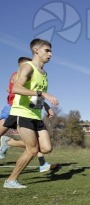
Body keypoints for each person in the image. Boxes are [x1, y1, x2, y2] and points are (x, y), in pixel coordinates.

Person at [2, 38, 59, 188]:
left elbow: (36, 96)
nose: (50, 54)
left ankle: (8, 142)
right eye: (47, 50)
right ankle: (10, 181)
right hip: (22, 113)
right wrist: (44, 94)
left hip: (35, 115)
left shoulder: (44, 74)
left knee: (46, 148)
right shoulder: (27, 67)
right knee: (32, 150)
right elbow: (16, 88)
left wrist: (46, 107)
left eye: (51, 51)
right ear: (36, 50)